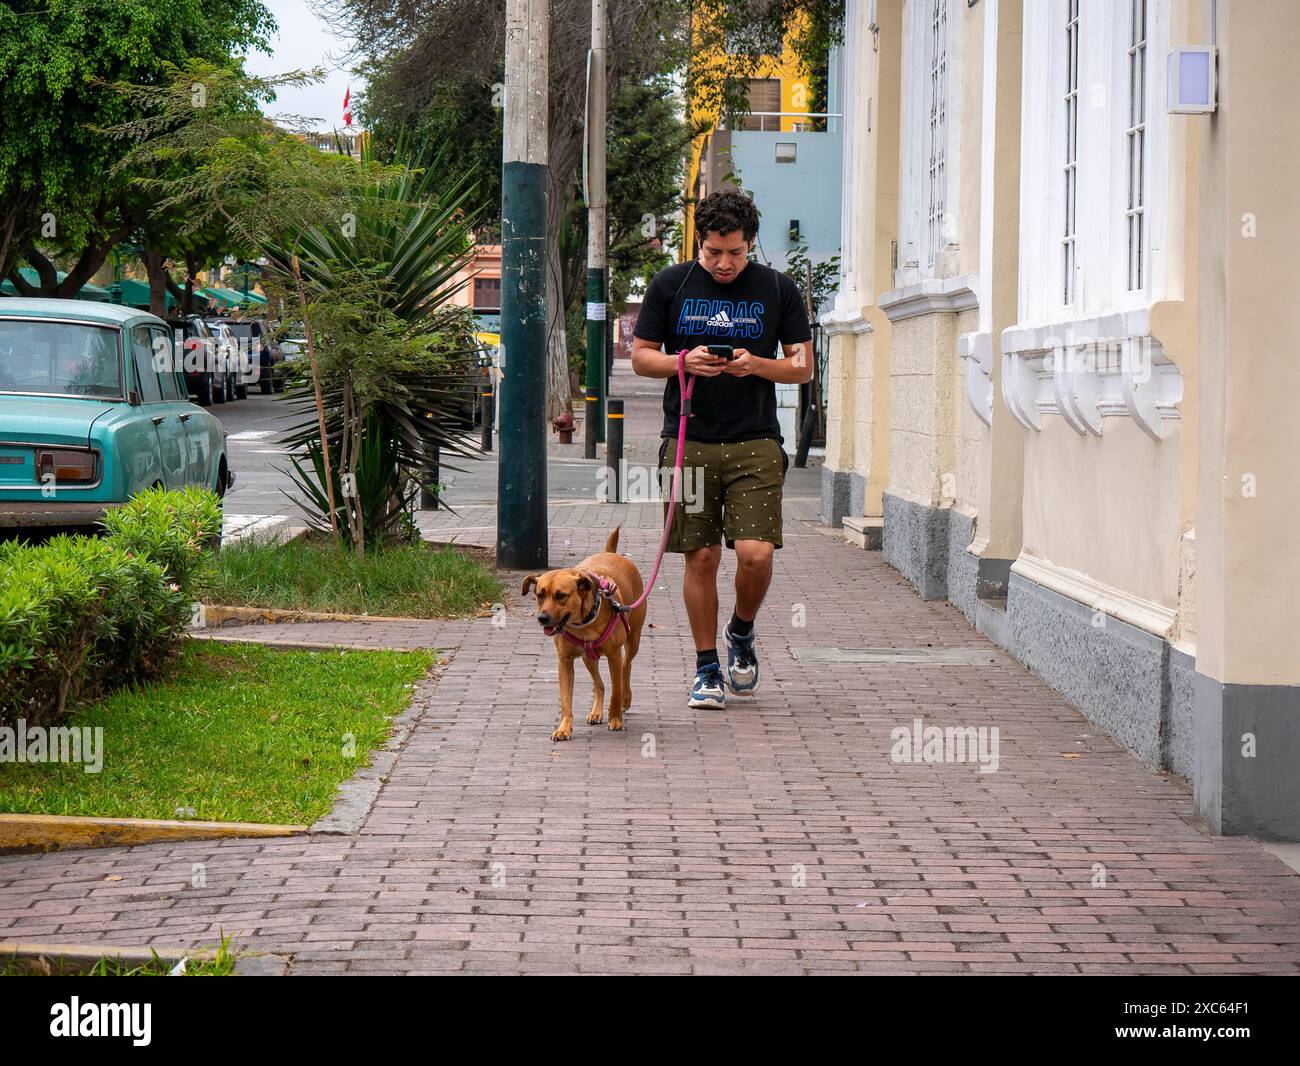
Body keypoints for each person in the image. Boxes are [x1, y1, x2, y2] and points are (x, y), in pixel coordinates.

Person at [630, 189, 813, 710]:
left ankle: (742, 630)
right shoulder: (671, 284)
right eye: (713, 252)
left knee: (754, 555)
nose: (724, 263)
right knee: (702, 555)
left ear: (750, 243)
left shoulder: (777, 289)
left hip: (755, 441)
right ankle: (707, 667)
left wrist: (755, 364)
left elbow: (801, 366)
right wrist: (683, 362)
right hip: (689, 441)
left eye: (734, 252)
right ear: (699, 243)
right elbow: (643, 358)